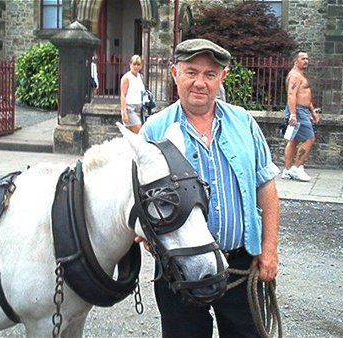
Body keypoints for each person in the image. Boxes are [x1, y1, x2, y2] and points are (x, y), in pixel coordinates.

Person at [138, 38, 280, 338]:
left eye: (210, 74)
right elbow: (140, 198)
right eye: (191, 72)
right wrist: (145, 231)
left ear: (222, 78)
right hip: (179, 268)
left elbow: (266, 187)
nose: (200, 82)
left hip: (241, 264)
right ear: (175, 73)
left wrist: (269, 250)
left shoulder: (244, 123)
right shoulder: (155, 130)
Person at [281, 50, 321, 181]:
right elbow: (291, 95)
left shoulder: (300, 75)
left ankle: (287, 171)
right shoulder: (295, 76)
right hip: (298, 111)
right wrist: (293, 114)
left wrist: (312, 111)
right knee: (309, 139)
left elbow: (305, 96)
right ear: (295, 61)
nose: (306, 61)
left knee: (294, 140)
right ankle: (297, 168)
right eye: (303, 59)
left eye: (307, 59)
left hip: (301, 110)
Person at [120, 55, 145, 133]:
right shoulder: (126, 77)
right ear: (130, 64)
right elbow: (123, 95)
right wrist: (124, 113)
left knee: (131, 135)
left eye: (138, 64)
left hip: (139, 108)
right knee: (139, 131)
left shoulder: (140, 77)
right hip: (129, 108)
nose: (136, 67)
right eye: (134, 64)